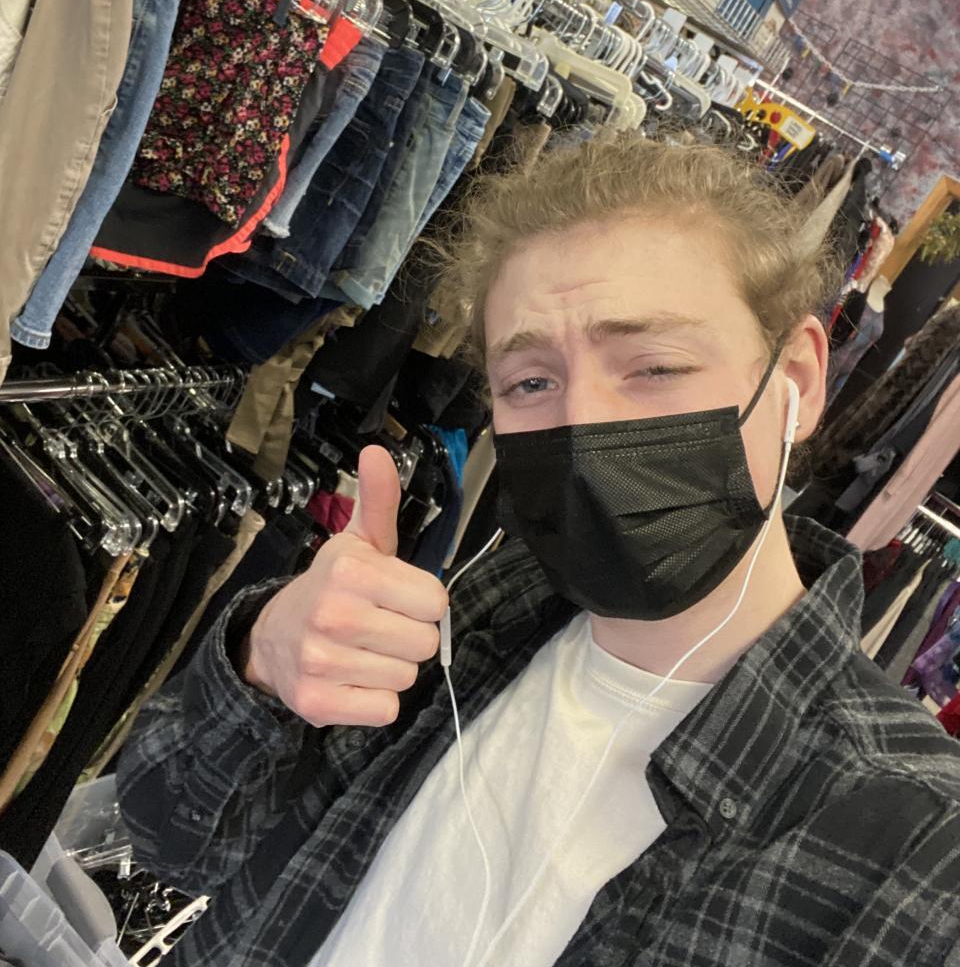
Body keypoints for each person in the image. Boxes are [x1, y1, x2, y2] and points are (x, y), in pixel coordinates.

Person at [117, 137, 960, 967]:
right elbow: (172, 844)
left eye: (655, 366)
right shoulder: (454, 631)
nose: (584, 423)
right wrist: (262, 660)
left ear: (799, 379)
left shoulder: (920, 856)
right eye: (531, 382)